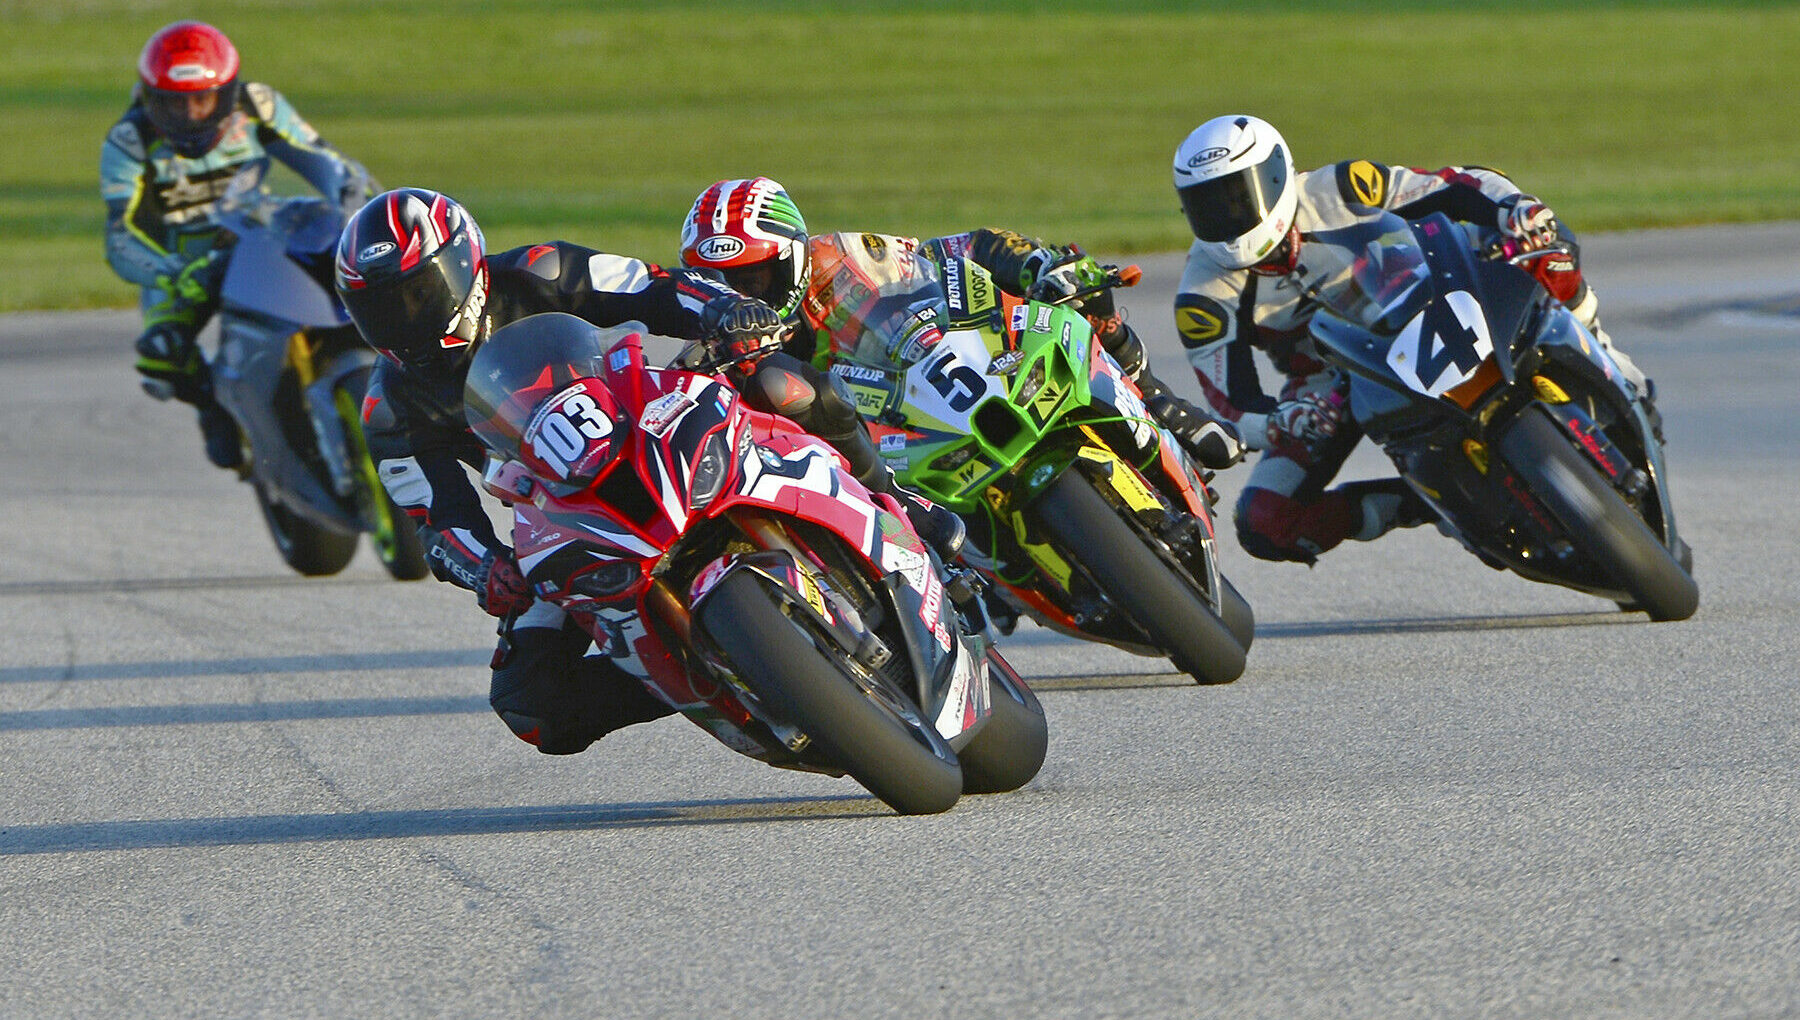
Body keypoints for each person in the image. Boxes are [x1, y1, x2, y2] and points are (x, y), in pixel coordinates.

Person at [332, 187, 955, 756]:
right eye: (381, 309)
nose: (404, 318)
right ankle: (719, 676)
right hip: (562, 509)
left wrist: (722, 313)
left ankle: (897, 503)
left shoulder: (541, 269)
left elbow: (655, 286)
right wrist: (485, 568)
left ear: (463, 266)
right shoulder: (389, 408)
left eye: (417, 293)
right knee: (532, 703)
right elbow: (439, 521)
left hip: (651, 415)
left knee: (783, 384)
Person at [1168, 113, 1656, 564]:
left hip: (1434, 298)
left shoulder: (1340, 187)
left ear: (1274, 176)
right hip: (1334, 383)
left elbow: (1455, 185)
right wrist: (1278, 422)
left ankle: (1617, 367)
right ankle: (1431, 504)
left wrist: (1516, 210)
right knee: (1265, 522)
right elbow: (1230, 404)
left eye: (1237, 196)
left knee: (1549, 246)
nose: (1228, 217)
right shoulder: (1202, 296)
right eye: (1208, 206)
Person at [678, 177, 1244, 476]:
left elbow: (960, 249)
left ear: (794, 255)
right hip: (888, 453)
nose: (744, 295)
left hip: (956, 368)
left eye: (755, 276)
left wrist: (1038, 266)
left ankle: (1164, 407)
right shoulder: (720, 349)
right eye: (724, 284)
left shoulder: (847, 258)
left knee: (1076, 283)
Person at [100, 20, 374, 470]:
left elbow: (321, 156)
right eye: (173, 104)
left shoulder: (258, 104)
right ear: (151, 100)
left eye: (202, 99)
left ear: (226, 93)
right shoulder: (130, 141)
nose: (190, 116)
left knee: (354, 272)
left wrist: (349, 199)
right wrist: (170, 270)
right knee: (162, 351)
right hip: (180, 256)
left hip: (255, 224)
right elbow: (119, 235)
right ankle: (215, 408)